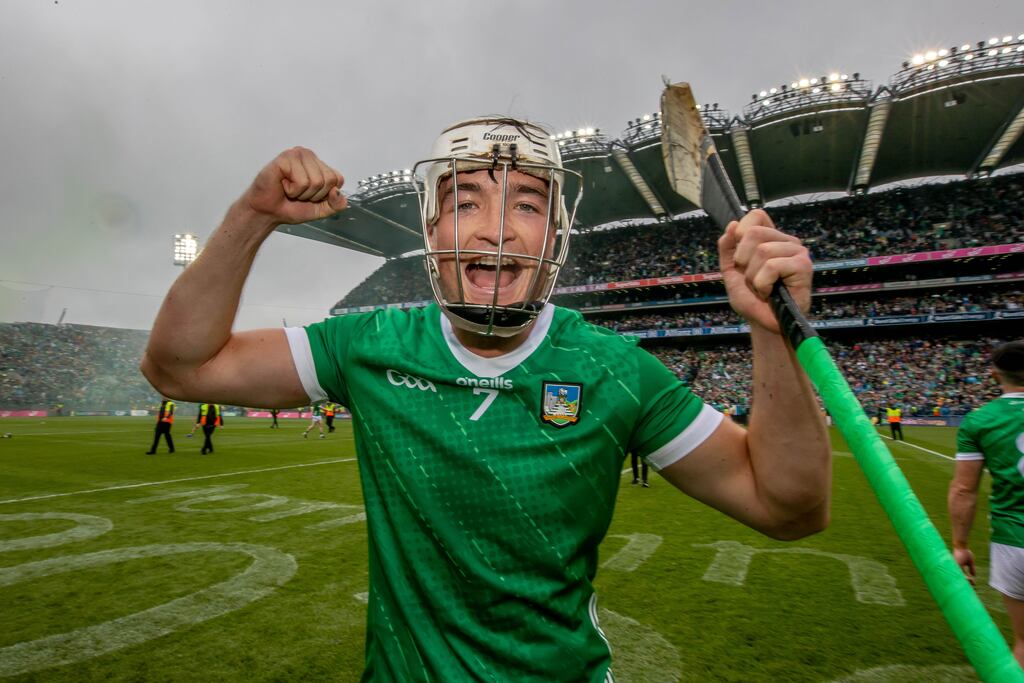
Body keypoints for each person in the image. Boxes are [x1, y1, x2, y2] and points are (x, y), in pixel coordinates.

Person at [141, 118, 830, 681]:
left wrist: (771, 333)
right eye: (465, 201)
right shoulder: (368, 344)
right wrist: (253, 216)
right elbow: (180, 366)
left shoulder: (616, 370)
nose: (495, 229)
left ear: (555, 234)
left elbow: (787, 505)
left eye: (526, 204)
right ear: (431, 233)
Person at [948, 340, 1024, 667]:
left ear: (994, 375)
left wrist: (960, 544)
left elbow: (964, 490)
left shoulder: (979, 421)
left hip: (1014, 540)